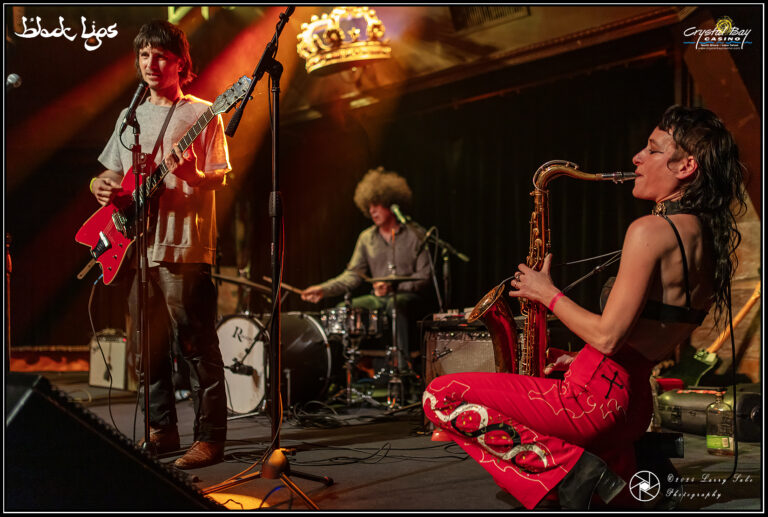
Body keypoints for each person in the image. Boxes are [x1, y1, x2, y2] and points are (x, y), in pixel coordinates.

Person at [422, 105, 746, 509]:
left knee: (440, 394)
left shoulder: (649, 230)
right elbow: (640, 339)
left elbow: (609, 338)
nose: (637, 159)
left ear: (685, 167)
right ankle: (588, 477)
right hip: (630, 408)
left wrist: (547, 293)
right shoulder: (706, 240)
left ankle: (573, 471)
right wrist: (577, 360)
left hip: (594, 403)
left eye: (652, 150)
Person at [89, 20, 231, 469]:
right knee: (144, 347)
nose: (152, 64)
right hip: (139, 250)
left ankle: (210, 439)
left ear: (180, 63)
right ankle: (161, 432)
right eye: (145, 55)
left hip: (184, 247)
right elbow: (111, 174)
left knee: (194, 344)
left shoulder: (205, 111)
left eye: (161, 56)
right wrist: (101, 185)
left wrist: (191, 175)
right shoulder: (129, 117)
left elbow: (218, 176)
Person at [301, 167, 432, 375]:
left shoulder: (415, 235)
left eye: (376, 204)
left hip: (409, 299)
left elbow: (426, 277)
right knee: (344, 309)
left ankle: (402, 371)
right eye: (369, 206)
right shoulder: (366, 238)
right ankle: (346, 371)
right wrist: (323, 289)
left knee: (396, 305)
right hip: (377, 299)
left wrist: (394, 287)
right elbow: (352, 275)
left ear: (391, 202)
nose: (372, 211)